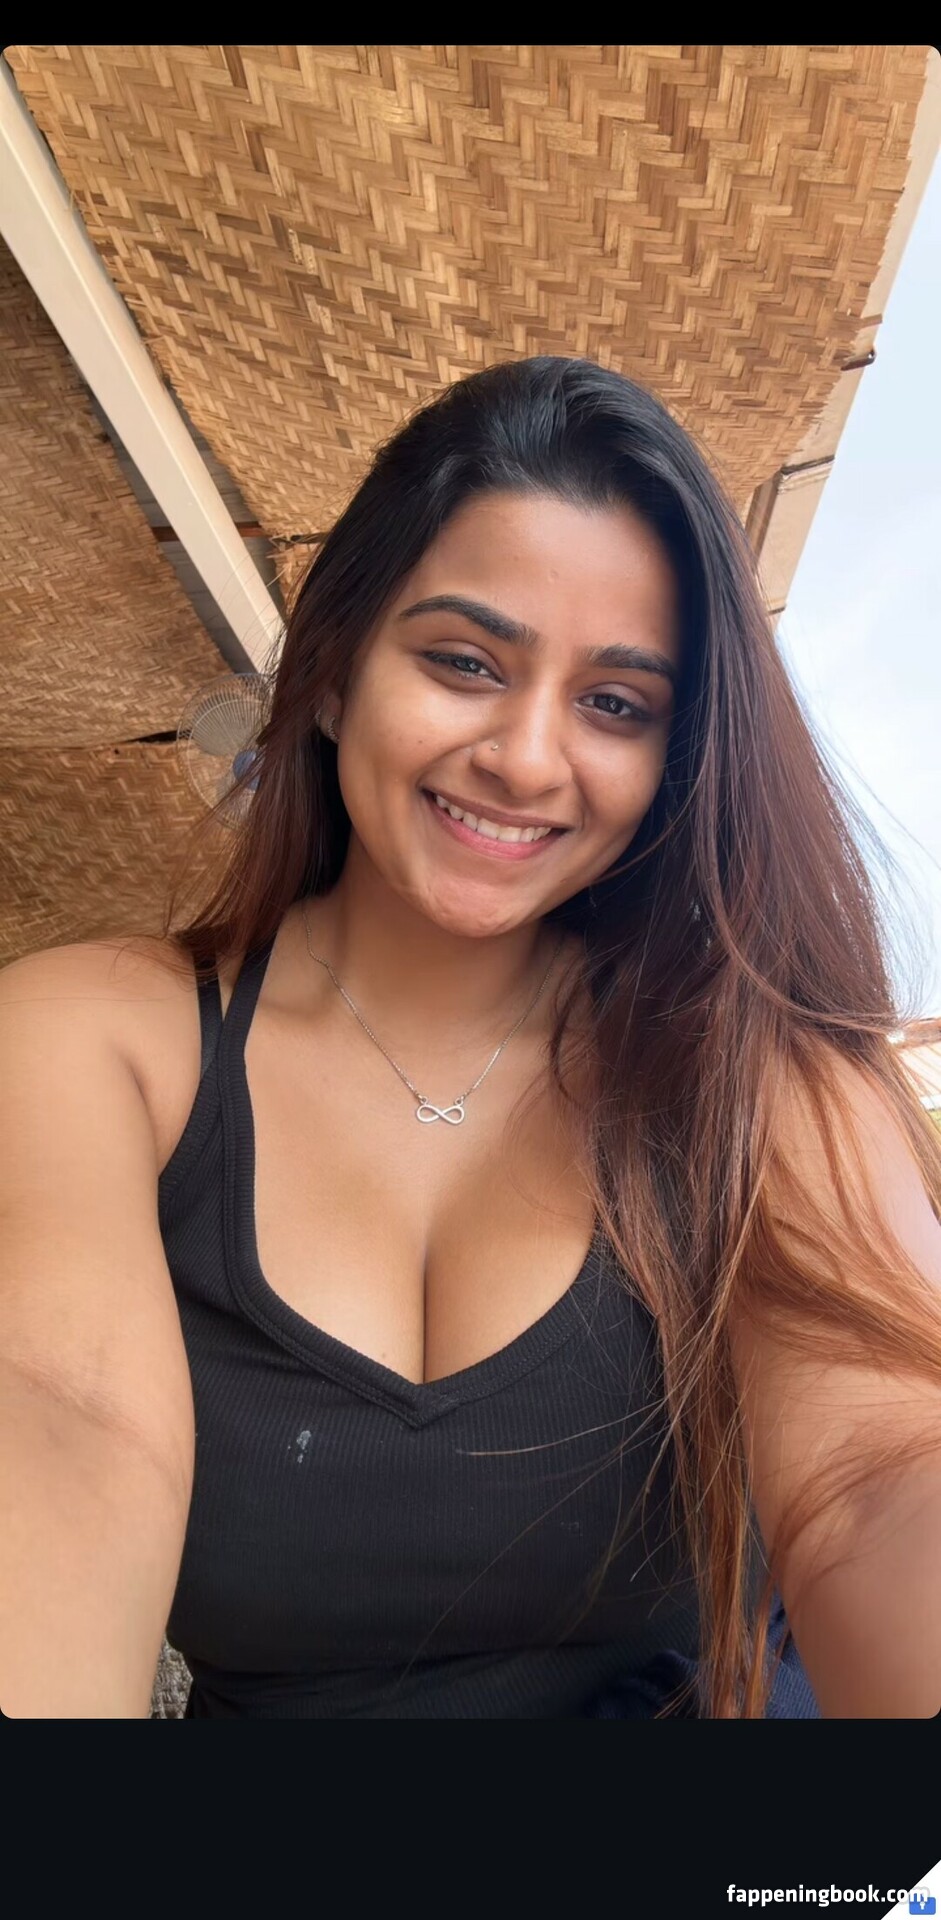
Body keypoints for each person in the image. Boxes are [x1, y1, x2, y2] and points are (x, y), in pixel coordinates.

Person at [2, 356, 940, 1719]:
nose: (525, 756)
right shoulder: (93, 1039)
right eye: (463, 662)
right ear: (334, 673)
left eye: (614, 703)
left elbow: (882, 1477)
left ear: (674, 759)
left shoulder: (762, 1077)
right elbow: (58, 1418)